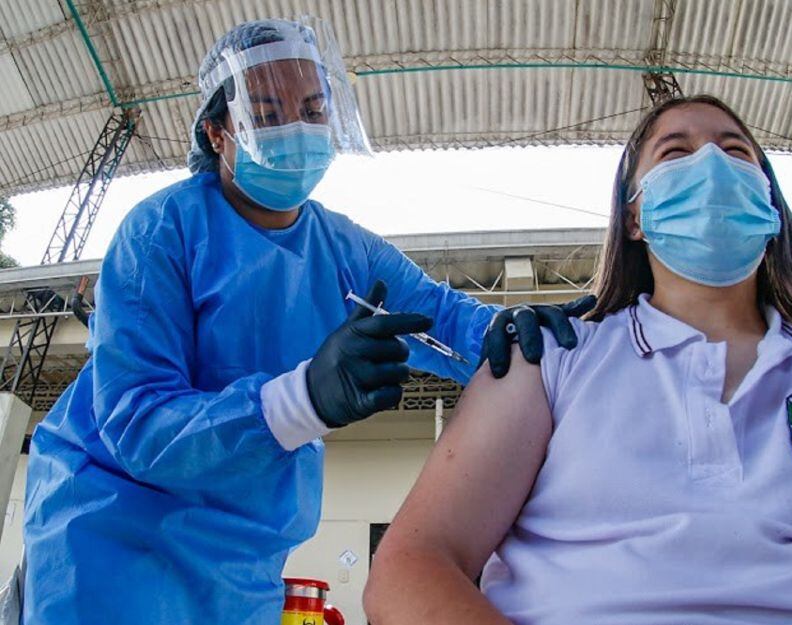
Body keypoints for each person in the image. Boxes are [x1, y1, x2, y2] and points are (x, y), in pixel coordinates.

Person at [20, 18, 590, 625]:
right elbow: (138, 426)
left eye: (313, 109)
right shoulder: (161, 231)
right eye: (266, 113)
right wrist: (302, 399)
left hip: (244, 560)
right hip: (109, 536)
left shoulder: (347, 250)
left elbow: (444, 317)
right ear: (217, 133)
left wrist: (522, 332)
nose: (296, 128)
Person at [364, 95, 792, 624]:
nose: (710, 164)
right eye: (675, 152)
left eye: (735, 151)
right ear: (636, 217)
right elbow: (411, 567)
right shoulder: (552, 358)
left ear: (769, 206)